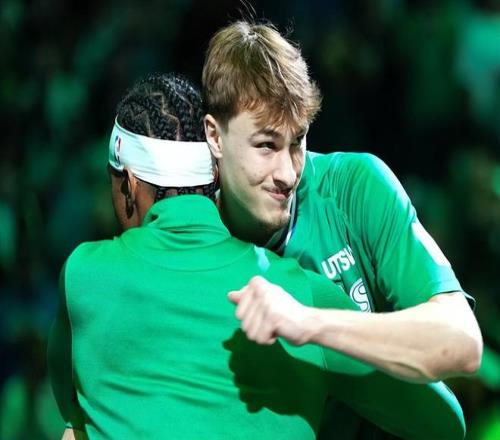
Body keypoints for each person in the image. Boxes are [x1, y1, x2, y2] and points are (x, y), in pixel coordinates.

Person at [46, 73, 394, 440]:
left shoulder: (81, 275)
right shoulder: (308, 297)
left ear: (128, 186)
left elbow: (75, 414)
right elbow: (429, 414)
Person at [202, 20, 483, 438]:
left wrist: (310, 323)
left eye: (297, 142)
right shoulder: (193, 238)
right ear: (214, 136)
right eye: (266, 146)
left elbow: (462, 342)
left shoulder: (355, 187)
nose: (287, 173)